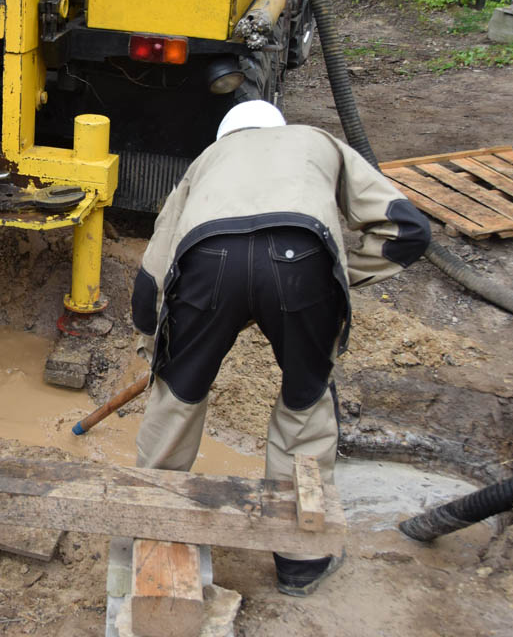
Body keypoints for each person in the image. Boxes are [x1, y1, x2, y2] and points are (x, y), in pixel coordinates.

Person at [130, 100, 430, 597]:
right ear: (279, 129)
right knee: (304, 402)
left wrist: (159, 349)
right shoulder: (319, 142)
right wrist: (331, 279)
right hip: (305, 257)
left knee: (177, 397)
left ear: (227, 137)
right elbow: (408, 230)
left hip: (206, 262)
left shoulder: (206, 161)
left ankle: (156, 526)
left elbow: (153, 274)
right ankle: (300, 561)